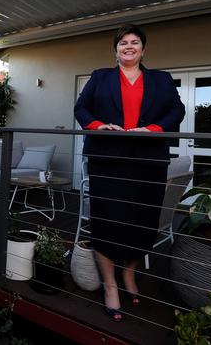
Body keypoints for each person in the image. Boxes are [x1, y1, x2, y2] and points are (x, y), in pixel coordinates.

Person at [74, 24, 185, 322]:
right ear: (116, 50)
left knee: (142, 221)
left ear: (143, 49)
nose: (129, 46)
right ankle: (110, 285)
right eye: (123, 42)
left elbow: (177, 110)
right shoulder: (101, 77)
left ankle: (129, 275)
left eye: (135, 42)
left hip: (148, 161)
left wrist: (153, 130)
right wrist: (99, 126)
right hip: (107, 160)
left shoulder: (161, 80)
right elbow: (81, 108)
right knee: (107, 220)